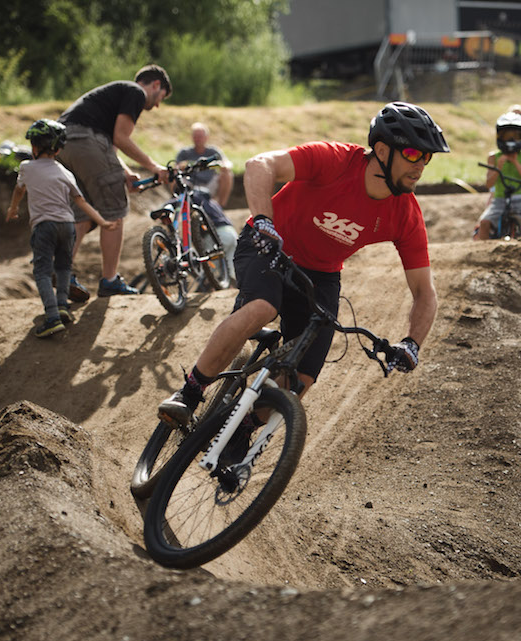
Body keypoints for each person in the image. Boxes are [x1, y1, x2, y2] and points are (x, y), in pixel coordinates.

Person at [157, 102, 450, 436]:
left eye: (428, 157)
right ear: (382, 150)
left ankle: (242, 431)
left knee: (304, 375)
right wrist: (265, 222)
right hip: (268, 242)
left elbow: (425, 293)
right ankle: (190, 392)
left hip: (321, 272)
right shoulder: (336, 160)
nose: (422, 165)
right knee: (263, 307)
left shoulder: (405, 214)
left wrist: (413, 343)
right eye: (414, 153)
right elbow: (259, 165)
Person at [56, 64, 172, 300]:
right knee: (114, 211)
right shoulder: (136, 92)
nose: (157, 104)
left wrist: (126, 173)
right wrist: (154, 166)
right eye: (161, 97)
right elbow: (120, 137)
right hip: (85, 141)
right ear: (156, 85)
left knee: (83, 215)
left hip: (63, 144)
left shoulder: (111, 96)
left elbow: (108, 145)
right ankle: (109, 281)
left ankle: (61, 273)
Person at [6, 119, 117, 338]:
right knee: (64, 267)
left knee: (42, 272)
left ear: (34, 148)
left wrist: (13, 208)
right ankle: (63, 306)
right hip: (67, 226)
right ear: (58, 149)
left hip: (44, 226)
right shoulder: (65, 173)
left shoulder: (26, 167)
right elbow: (81, 202)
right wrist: (102, 221)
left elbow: (19, 190)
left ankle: (52, 317)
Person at [174, 122, 238, 282]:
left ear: (206, 138)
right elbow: (175, 168)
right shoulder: (185, 152)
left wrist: (223, 165)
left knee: (226, 173)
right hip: (191, 185)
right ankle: (179, 200)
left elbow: (226, 163)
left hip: (209, 188)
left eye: (200, 136)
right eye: (195, 136)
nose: (198, 139)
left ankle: (220, 203)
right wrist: (180, 167)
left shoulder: (213, 151)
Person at [474, 112, 521, 241]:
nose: (511, 140)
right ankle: (481, 251)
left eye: (515, 136)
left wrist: (516, 162)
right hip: (499, 199)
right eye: (506, 136)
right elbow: (489, 184)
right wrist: (498, 167)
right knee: (484, 222)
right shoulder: (494, 157)